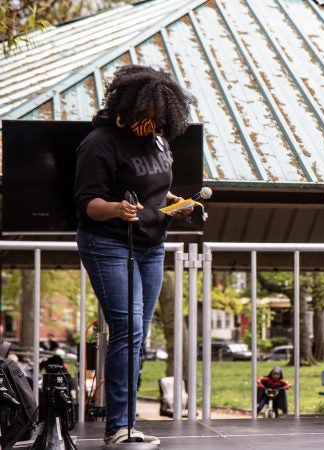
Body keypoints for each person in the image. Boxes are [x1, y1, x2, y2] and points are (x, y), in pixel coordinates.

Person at [74, 64, 194, 445]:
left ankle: (126, 423)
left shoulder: (160, 142)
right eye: (148, 116)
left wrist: (175, 204)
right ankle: (119, 427)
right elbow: (87, 203)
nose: (154, 124)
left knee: (138, 336)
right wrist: (116, 209)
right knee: (128, 330)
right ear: (131, 107)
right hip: (108, 242)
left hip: (151, 244)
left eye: (160, 119)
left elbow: (156, 192)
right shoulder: (100, 143)